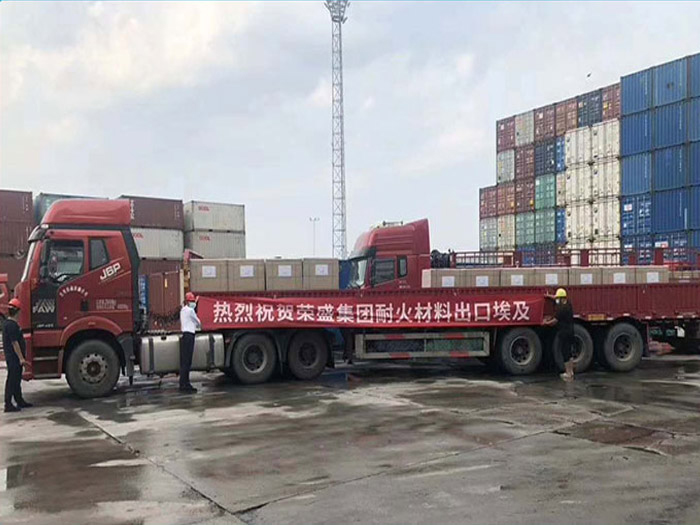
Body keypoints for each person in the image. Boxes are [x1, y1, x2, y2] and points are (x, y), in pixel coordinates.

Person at [3, 298, 33, 412]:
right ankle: (8, 404)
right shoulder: (12, 325)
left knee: (16, 380)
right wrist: (21, 358)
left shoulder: (9, 324)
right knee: (12, 380)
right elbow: (14, 343)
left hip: (13, 357)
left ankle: (19, 400)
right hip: (13, 357)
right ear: (18, 311)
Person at [546, 288, 576, 382]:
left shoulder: (561, 309)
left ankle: (568, 373)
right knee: (569, 352)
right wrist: (549, 296)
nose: (556, 300)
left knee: (565, 353)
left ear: (561, 298)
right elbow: (556, 297)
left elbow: (554, 321)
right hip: (571, 331)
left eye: (558, 298)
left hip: (564, 333)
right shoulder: (568, 304)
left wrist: (546, 323)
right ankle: (571, 372)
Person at [179, 292, 201, 393]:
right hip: (189, 336)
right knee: (188, 362)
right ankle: (186, 384)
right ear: (188, 302)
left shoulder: (183, 310)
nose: (193, 303)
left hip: (184, 336)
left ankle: (182, 383)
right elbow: (198, 322)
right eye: (192, 301)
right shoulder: (190, 311)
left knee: (184, 362)